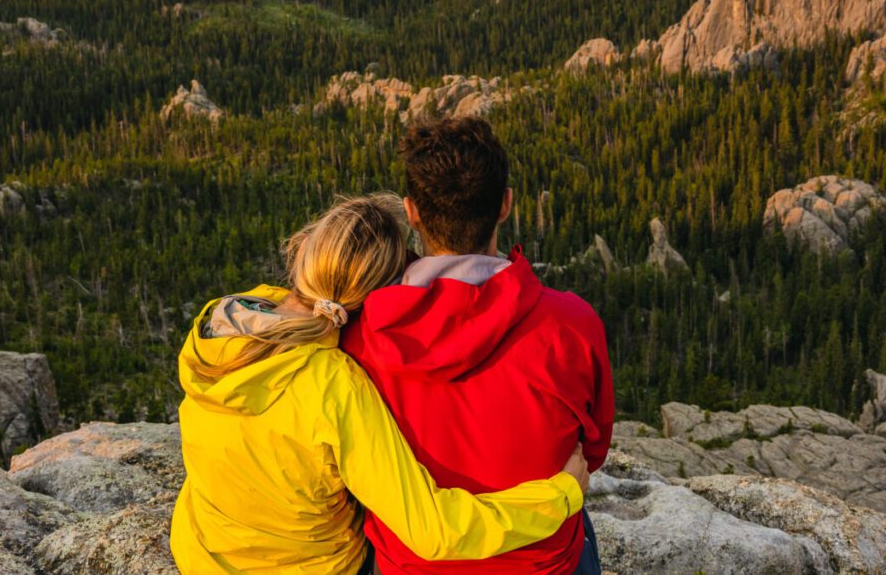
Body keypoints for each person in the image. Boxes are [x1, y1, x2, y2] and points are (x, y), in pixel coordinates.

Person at [170, 193, 591, 575]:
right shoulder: (332, 385)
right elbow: (433, 530)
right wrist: (561, 495)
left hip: (199, 551)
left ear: (305, 253)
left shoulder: (222, 319)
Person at [342, 117, 615, 575]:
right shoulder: (572, 326)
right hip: (543, 564)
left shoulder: (360, 337)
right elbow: (594, 451)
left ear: (411, 212)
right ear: (505, 204)